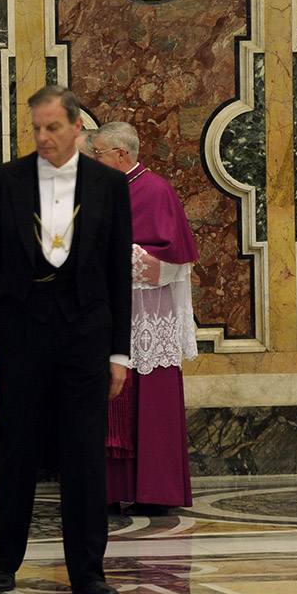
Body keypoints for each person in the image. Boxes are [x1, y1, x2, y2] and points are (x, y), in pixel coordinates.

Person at [0, 85, 132, 594]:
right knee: (17, 449)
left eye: (53, 127)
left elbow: (117, 275)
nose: (43, 136)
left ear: (77, 127)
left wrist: (119, 352)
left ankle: (87, 572)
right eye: (36, 128)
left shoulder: (108, 183)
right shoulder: (4, 180)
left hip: (86, 332)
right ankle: (3, 565)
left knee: (84, 454)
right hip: (20, 331)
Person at [91, 121, 198, 516]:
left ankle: (156, 491)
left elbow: (173, 260)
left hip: (148, 315)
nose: (93, 160)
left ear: (122, 154)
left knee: (152, 403)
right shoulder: (101, 188)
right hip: (105, 314)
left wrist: (110, 257)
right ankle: (108, 489)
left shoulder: (157, 190)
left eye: (98, 153)